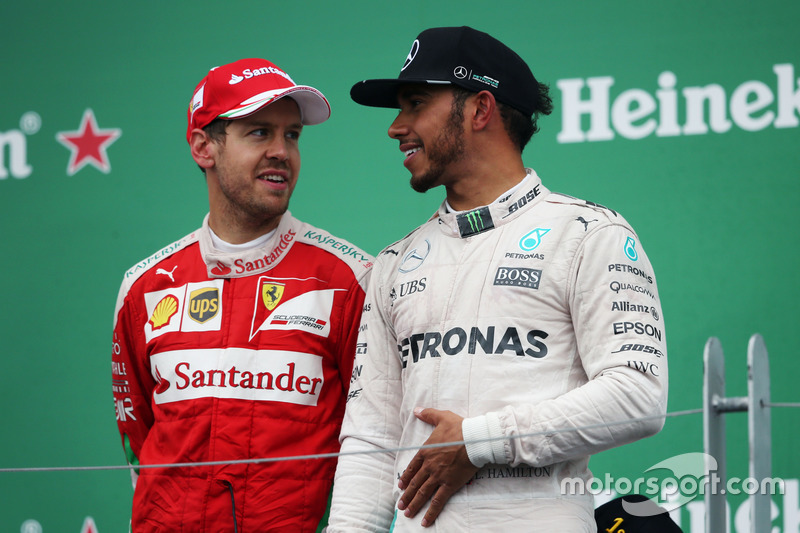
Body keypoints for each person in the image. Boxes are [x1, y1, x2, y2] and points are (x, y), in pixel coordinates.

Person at [326, 26, 668, 532]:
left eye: (416, 102)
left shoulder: (588, 233)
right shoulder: (395, 262)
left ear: (480, 109)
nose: (396, 126)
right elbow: (372, 437)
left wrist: (480, 442)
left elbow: (637, 394)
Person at [111, 58, 373, 532]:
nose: (281, 151)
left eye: (291, 135)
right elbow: (140, 437)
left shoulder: (349, 278)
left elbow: (373, 442)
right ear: (203, 147)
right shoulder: (146, 286)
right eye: (259, 133)